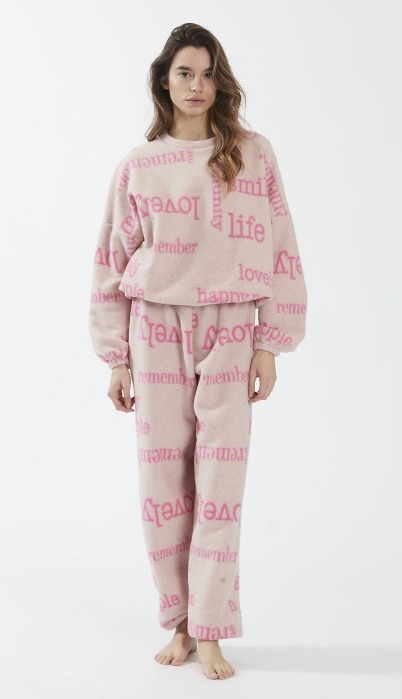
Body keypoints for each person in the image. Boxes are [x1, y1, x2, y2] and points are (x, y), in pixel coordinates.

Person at [88, 22, 308, 681]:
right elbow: (109, 260)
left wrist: (270, 342)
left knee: (219, 486)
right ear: (164, 80)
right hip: (154, 327)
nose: (198, 85)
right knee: (163, 484)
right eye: (185, 72)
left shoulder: (252, 154)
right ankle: (181, 622)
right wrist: (116, 356)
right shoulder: (139, 165)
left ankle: (210, 628)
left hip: (232, 326)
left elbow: (281, 244)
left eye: (209, 73)